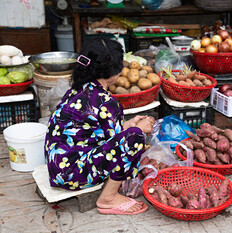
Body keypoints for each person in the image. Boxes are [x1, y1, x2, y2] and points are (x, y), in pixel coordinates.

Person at [44, 38, 155, 215]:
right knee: (135, 139)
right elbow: (118, 145)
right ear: (114, 72)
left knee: (131, 133)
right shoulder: (106, 103)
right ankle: (108, 198)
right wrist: (138, 130)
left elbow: (99, 132)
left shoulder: (78, 89)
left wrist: (127, 124)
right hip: (72, 175)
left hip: (58, 166)